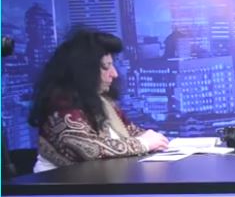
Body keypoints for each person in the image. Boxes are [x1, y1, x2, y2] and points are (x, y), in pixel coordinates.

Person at [28, 30, 169, 172]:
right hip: (60, 183)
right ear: (84, 71)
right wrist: (142, 144)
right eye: (106, 67)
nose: (114, 74)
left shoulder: (103, 101)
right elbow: (89, 149)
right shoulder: (61, 105)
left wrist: (156, 141)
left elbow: (132, 132)